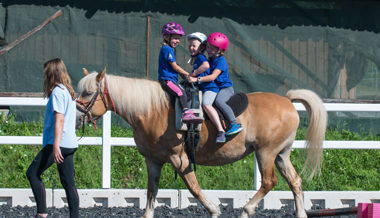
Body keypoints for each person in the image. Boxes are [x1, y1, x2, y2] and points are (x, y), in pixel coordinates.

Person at [26, 58, 79, 218]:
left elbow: (60, 119)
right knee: (68, 182)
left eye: (45, 73)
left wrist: (55, 146)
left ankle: (42, 213)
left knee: (32, 173)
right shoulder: (68, 92)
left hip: (59, 143)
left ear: (51, 74)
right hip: (70, 142)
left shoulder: (57, 92)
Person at [195, 32, 243, 137]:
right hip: (216, 88)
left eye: (212, 48)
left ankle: (234, 123)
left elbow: (213, 77)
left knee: (219, 101)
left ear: (220, 50)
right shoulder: (209, 60)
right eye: (208, 47)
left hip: (225, 88)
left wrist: (197, 79)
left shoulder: (221, 61)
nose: (209, 50)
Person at [158, 22, 203, 124]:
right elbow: (174, 66)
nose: (177, 41)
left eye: (178, 38)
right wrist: (188, 75)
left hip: (171, 79)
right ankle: (187, 112)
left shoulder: (170, 49)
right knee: (180, 92)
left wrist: (184, 78)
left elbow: (174, 67)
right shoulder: (167, 49)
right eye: (174, 38)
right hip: (167, 80)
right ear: (166, 36)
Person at [186, 32, 225, 143]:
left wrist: (193, 75)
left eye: (194, 45)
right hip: (204, 88)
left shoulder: (201, 57)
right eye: (190, 45)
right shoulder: (197, 58)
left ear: (202, 47)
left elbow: (206, 66)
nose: (191, 48)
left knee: (206, 105)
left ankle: (220, 130)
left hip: (210, 88)